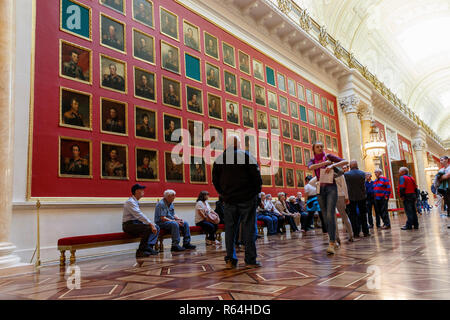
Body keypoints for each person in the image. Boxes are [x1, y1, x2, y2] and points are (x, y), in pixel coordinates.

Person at [212, 135, 263, 269]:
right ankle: (250, 260)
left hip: (229, 200)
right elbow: (257, 177)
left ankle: (230, 259)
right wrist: (255, 193)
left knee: (230, 230)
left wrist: (223, 194)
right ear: (238, 144)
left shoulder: (219, 159)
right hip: (247, 198)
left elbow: (215, 182)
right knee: (249, 229)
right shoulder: (246, 155)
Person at [308, 142, 348, 255]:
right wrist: (325, 163)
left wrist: (332, 165)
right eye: (317, 147)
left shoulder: (329, 156)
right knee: (325, 216)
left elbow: (345, 161)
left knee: (330, 214)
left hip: (331, 187)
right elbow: (310, 167)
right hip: (320, 189)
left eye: (321, 146)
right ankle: (334, 239)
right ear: (313, 149)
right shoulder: (312, 160)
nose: (320, 148)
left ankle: (331, 243)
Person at [122, 184, 160, 258]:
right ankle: (140, 251)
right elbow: (139, 215)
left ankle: (148, 246)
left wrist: (152, 224)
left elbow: (139, 217)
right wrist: (150, 224)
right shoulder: (130, 202)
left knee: (157, 227)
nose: (143, 191)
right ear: (136, 191)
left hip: (135, 224)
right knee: (148, 228)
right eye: (141, 189)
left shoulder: (135, 201)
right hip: (129, 225)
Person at [344, 160, 370, 239]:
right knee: (363, 215)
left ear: (350, 166)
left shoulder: (346, 174)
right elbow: (364, 185)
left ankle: (356, 233)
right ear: (357, 165)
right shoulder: (362, 173)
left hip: (351, 197)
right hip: (362, 197)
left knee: (353, 216)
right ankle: (366, 232)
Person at [334, 172, 354, 242]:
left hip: (331, 196)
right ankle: (351, 235)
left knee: (334, 218)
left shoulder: (326, 172)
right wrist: (346, 197)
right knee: (344, 216)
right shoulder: (340, 174)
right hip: (340, 195)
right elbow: (344, 186)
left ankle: (336, 238)